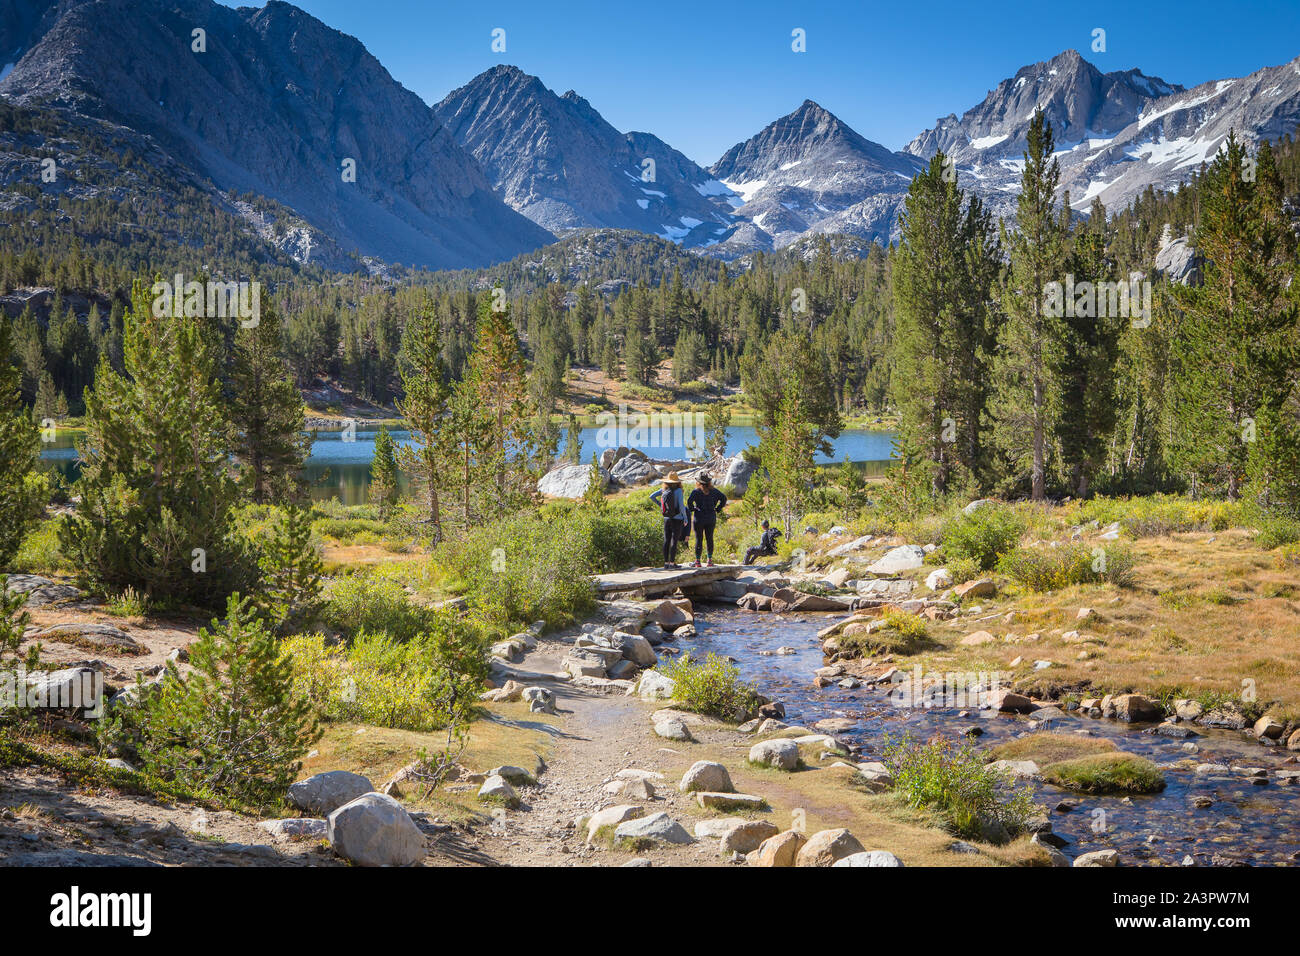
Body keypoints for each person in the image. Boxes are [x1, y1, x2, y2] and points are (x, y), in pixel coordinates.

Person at [686, 473, 727, 567]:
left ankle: (697, 562)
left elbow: (689, 502)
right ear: (709, 482)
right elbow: (724, 498)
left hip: (699, 518)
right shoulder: (715, 491)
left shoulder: (696, 491)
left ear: (699, 482)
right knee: (709, 539)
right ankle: (709, 561)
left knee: (698, 539)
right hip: (711, 517)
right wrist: (718, 508)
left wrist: (693, 509)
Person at [649, 472, 688, 568]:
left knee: (666, 540)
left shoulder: (663, 489)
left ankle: (666, 564)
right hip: (677, 518)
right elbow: (681, 506)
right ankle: (672, 563)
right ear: (678, 481)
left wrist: (661, 507)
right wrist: (685, 517)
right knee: (674, 541)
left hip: (666, 518)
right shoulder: (679, 490)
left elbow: (652, 496)